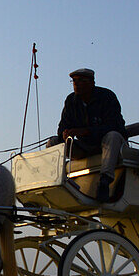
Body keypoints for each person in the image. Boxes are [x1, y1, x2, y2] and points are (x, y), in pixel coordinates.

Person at [48, 68, 125, 201]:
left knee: (113, 135)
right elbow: (62, 126)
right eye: (74, 81)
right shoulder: (71, 100)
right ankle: (55, 183)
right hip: (84, 147)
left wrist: (86, 131)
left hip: (105, 145)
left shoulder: (107, 97)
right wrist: (65, 134)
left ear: (92, 83)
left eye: (81, 81)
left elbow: (115, 126)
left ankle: (105, 182)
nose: (76, 84)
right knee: (52, 142)